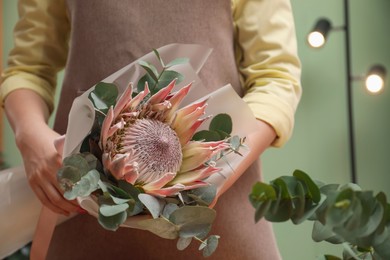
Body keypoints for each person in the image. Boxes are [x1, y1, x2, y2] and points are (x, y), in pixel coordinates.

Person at [1, 0, 301, 259]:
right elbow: (28, 70)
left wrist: (214, 174)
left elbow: (276, 79)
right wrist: (30, 138)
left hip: (219, 215)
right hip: (80, 206)